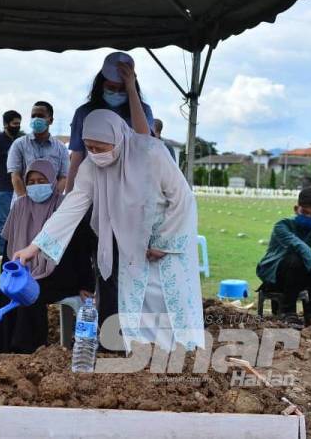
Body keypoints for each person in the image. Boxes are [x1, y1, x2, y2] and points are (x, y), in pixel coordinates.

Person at [14, 110, 205, 353]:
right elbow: (72, 206)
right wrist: (35, 246)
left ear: (118, 138)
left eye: (100, 147)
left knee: (167, 305)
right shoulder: (92, 167)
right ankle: (143, 361)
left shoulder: (151, 153)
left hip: (166, 242)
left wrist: (164, 241)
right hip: (131, 247)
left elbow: (182, 199)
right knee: (137, 309)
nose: (95, 154)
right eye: (89, 147)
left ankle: (183, 360)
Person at [0, 159, 94, 353]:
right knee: (7, 291)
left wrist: (86, 284)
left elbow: (82, 249)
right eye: (31, 182)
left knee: (31, 292)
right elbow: (9, 248)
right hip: (25, 269)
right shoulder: (20, 206)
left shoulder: (65, 208)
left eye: (41, 180)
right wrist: (7, 277)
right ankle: (2, 349)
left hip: (61, 272)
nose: (36, 186)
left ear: (53, 181)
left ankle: (29, 350)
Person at [65, 51, 156, 193]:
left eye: (122, 89)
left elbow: (144, 139)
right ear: (101, 85)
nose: (116, 93)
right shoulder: (84, 112)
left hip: (129, 189)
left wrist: (131, 90)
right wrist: (68, 196)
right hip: (92, 188)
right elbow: (76, 160)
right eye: (111, 88)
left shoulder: (142, 111)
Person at [257, 187, 311, 332]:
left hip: (300, 275)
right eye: (304, 212)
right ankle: (288, 312)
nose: (309, 217)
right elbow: (300, 247)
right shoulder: (282, 225)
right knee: (296, 257)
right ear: (296, 209)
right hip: (275, 277)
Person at [6, 101, 69, 197]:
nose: (36, 119)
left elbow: (63, 178)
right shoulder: (19, 145)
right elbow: (15, 176)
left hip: (51, 208)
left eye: (40, 116)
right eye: (33, 116)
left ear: (51, 120)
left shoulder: (61, 148)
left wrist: (52, 202)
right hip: (23, 204)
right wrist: (25, 202)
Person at [0, 110, 22, 255]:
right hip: (1, 189)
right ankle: (3, 254)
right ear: (6, 124)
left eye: (19, 124)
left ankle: (16, 251)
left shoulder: (20, 141)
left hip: (19, 189)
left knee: (19, 223)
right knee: (3, 223)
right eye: (14, 123)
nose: (17, 126)